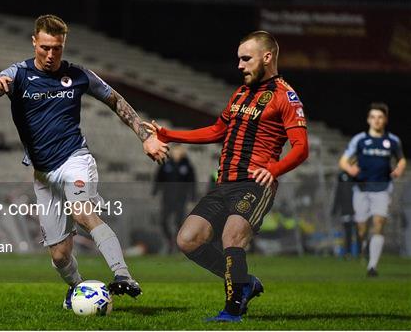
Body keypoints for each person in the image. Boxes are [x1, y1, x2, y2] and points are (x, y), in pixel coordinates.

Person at [0, 15, 168, 308]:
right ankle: (80, 290)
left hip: (74, 159)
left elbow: (116, 100)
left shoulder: (78, 75)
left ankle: (123, 275)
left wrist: (145, 136)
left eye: (57, 48)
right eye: (45, 47)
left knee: (82, 211)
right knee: (59, 255)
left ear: (63, 45)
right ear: (34, 42)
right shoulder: (17, 75)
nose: (51, 54)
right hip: (43, 173)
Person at [145, 31, 309, 322]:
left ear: (267, 57)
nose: (240, 65)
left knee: (231, 236)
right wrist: (170, 135)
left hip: (254, 184)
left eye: (246, 59)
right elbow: (216, 131)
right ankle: (245, 282)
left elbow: (301, 149)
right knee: (188, 239)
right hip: (224, 183)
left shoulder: (286, 96)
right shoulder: (240, 93)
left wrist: (273, 169)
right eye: (239, 59)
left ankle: (233, 309)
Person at [339, 102, 406, 277]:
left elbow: (401, 159)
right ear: (368, 119)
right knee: (361, 228)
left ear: (385, 120)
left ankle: (372, 266)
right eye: (373, 117)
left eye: (380, 117)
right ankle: (364, 244)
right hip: (361, 189)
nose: (377, 120)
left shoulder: (392, 141)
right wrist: (350, 168)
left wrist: (399, 168)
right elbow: (343, 161)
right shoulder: (360, 140)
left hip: (383, 188)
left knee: (379, 223)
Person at [152, 145, 196, 253]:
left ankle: (178, 244)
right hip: (167, 198)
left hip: (181, 199)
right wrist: (155, 190)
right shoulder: (166, 165)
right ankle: (169, 240)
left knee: (179, 222)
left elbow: (192, 182)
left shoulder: (187, 166)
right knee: (163, 221)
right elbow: (158, 178)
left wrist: (192, 196)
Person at [331, 171, 358, 257]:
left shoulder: (357, 177)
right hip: (346, 210)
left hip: (357, 209)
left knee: (360, 231)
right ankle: (348, 252)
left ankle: (362, 252)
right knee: (348, 232)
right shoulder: (342, 178)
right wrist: (335, 209)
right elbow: (338, 195)